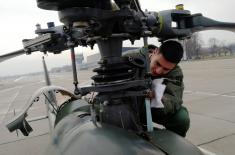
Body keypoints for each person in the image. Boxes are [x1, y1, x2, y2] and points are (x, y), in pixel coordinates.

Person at [124, 40, 190, 137]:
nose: (159, 71)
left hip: (152, 108)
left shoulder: (175, 73)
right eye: (158, 64)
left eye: (166, 69)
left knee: (181, 119)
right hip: (126, 106)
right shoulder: (129, 58)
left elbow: (173, 100)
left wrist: (158, 98)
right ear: (155, 52)